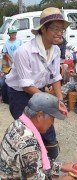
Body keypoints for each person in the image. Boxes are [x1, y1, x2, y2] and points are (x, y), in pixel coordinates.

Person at [5, 7, 70, 160]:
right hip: (19, 93)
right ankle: (31, 164)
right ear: (43, 29)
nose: (60, 32)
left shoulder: (55, 51)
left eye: (62, 29)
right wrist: (51, 101)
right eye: (55, 28)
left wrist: (59, 100)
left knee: (47, 127)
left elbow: (55, 77)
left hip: (38, 89)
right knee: (29, 130)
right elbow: (26, 85)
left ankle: (49, 162)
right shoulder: (24, 51)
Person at [0, 92, 76, 179]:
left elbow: (35, 163)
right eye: (52, 118)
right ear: (40, 116)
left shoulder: (18, 124)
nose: (52, 123)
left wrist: (61, 166)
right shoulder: (28, 143)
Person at [1, 26, 23, 104]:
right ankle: (6, 98)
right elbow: (5, 53)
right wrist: (11, 60)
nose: (13, 34)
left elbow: (23, 51)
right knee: (7, 81)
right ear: (9, 34)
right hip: (10, 65)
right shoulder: (7, 43)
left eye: (14, 32)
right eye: (11, 33)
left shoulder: (19, 41)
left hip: (19, 63)